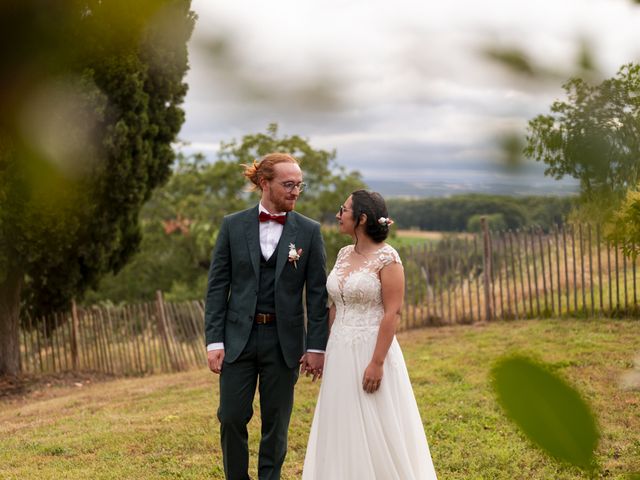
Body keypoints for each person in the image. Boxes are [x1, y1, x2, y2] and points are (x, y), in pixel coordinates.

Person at [204, 152, 329, 480]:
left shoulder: (309, 232)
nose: (295, 192)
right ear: (264, 183)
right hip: (237, 340)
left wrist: (316, 347)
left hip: (284, 342)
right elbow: (217, 286)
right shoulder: (232, 226)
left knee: (276, 424)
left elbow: (317, 296)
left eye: (300, 186)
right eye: (288, 185)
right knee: (230, 416)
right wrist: (214, 340)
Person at [302, 190, 438, 479]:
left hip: (371, 349)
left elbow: (393, 313)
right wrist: (320, 348)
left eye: (344, 209)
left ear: (361, 218)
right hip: (339, 349)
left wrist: (376, 362)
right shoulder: (343, 254)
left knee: (377, 422)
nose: (339, 214)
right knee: (342, 422)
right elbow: (336, 306)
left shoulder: (388, 258)